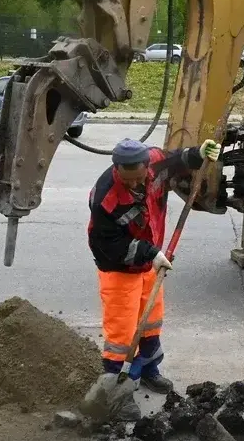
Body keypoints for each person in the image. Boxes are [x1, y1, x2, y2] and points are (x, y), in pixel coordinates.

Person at [86, 136, 220, 418]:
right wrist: (150, 253)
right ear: (116, 169)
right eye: (128, 180)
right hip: (119, 268)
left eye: (138, 178)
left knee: (150, 321)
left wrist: (198, 153)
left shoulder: (156, 162)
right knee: (122, 335)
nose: (135, 184)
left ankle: (147, 369)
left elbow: (177, 161)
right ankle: (117, 394)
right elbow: (108, 246)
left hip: (150, 261)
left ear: (147, 166)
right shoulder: (105, 198)